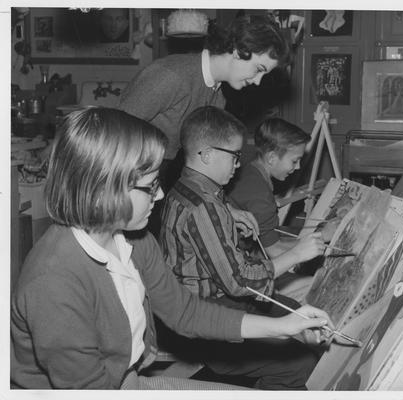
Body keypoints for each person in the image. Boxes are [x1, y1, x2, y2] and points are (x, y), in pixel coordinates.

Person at [10, 107, 332, 390]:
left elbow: (185, 312)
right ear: (103, 188)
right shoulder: (54, 281)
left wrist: (286, 326)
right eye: (150, 186)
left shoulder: (132, 240)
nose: (161, 195)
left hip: (127, 379)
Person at [159, 106, 329, 390]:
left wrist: (228, 213)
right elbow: (240, 283)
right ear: (208, 155)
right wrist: (297, 254)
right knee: (298, 364)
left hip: (211, 303)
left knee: (300, 313)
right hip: (205, 318)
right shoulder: (205, 206)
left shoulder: (189, 189)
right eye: (235, 156)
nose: (239, 164)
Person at [118, 15, 291, 194]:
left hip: (157, 178)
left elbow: (202, 161)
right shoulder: (170, 76)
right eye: (259, 70)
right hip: (126, 177)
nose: (258, 82)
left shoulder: (218, 94)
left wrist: (224, 206)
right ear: (239, 50)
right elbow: (112, 134)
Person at [227, 118, 315, 302]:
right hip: (236, 275)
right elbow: (274, 250)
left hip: (237, 261)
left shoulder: (249, 171)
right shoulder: (260, 195)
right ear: (272, 158)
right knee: (313, 285)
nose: (298, 167)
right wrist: (319, 245)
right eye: (295, 161)